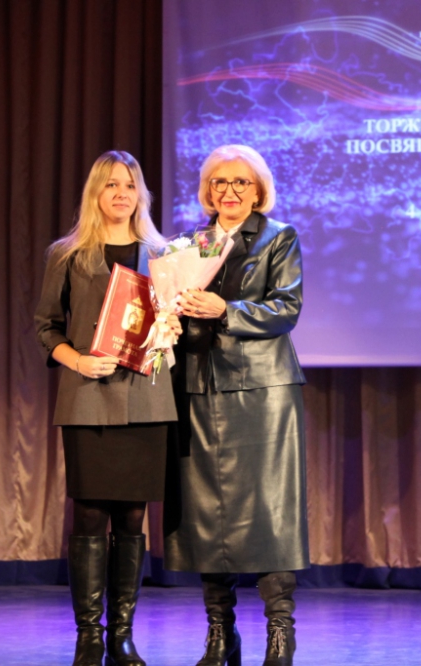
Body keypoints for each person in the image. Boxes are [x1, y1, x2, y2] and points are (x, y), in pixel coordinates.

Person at [165, 145, 309, 666]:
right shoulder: (188, 245)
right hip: (199, 388)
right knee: (207, 512)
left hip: (263, 393)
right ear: (207, 190)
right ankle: (219, 633)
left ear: (258, 190)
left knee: (272, 511)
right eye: (219, 182)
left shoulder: (279, 237)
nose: (229, 191)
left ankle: (280, 632)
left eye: (240, 182)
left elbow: (286, 307)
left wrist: (225, 309)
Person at [35, 150, 180, 666]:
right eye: (111, 184)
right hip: (87, 399)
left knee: (132, 519)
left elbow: (175, 324)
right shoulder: (68, 254)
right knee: (91, 515)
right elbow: (45, 326)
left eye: (130, 185)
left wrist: (175, 328)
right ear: (95, 193)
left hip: (147, 399)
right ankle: (88, 636)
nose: (121, 193)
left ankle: (121, 635)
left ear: (142, 194)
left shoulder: (164, 254)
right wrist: (77, 360)